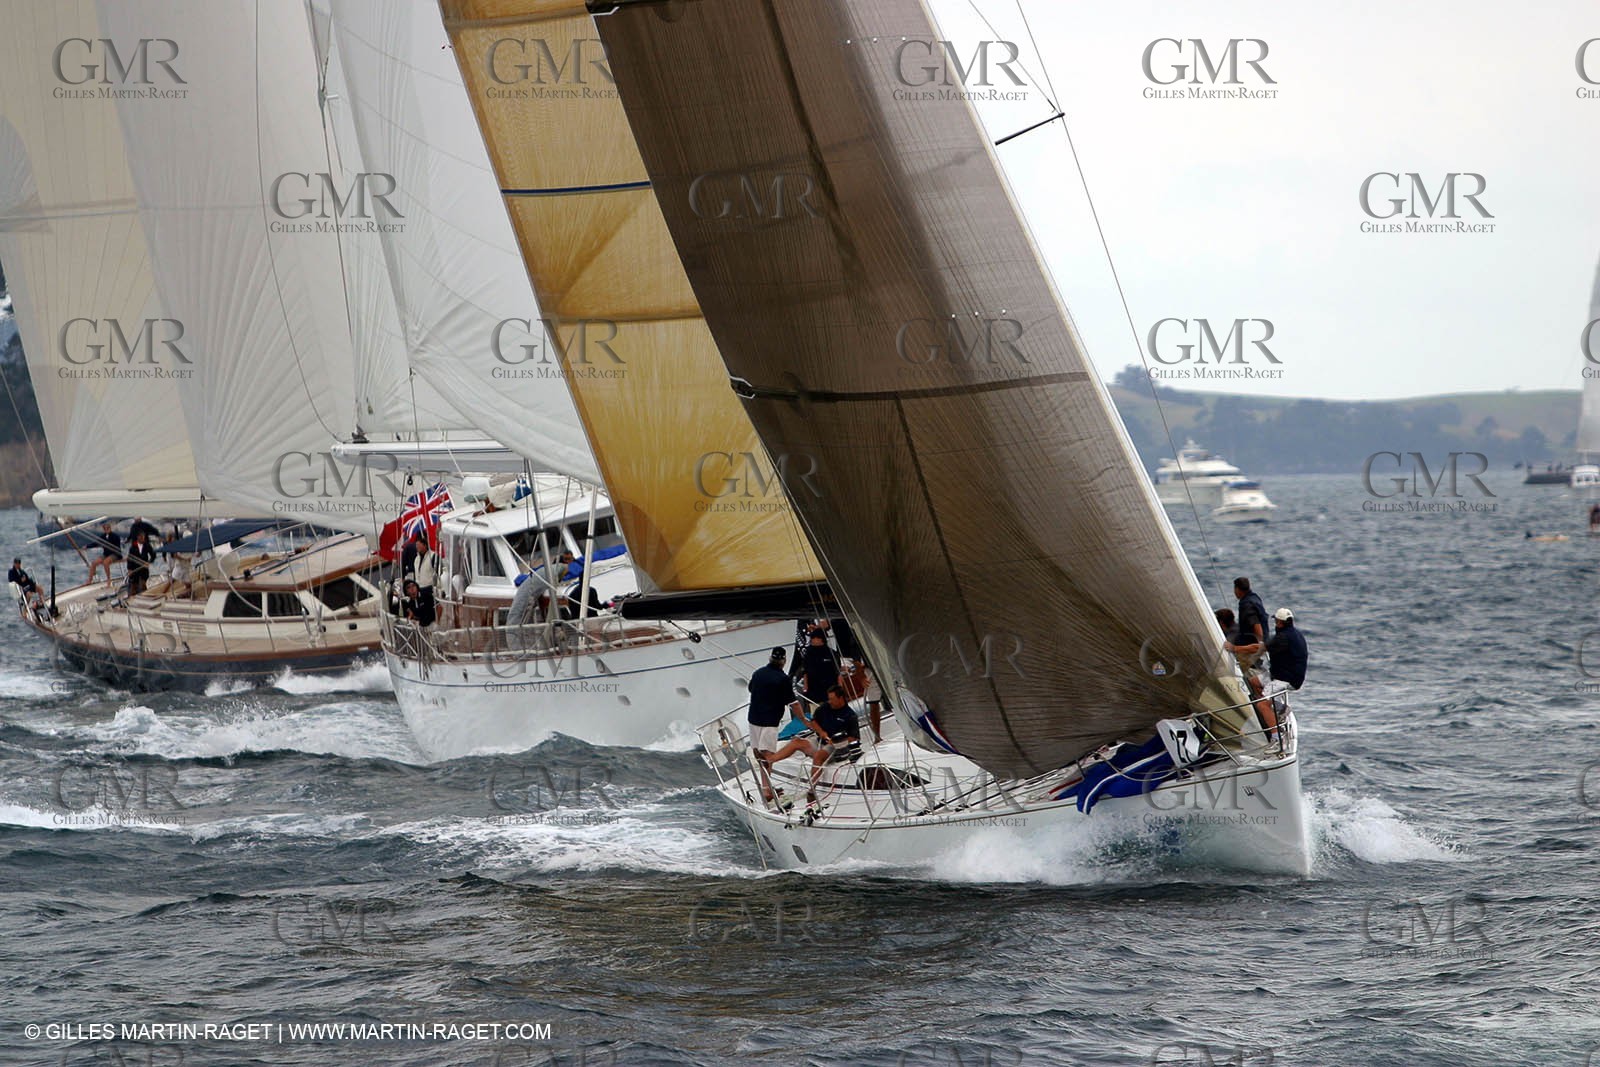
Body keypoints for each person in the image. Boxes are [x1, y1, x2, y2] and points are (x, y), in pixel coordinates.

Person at [747, 646, 804, 804]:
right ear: (784, 661)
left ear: (770, 658)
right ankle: (767, 791)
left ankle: (766, 788)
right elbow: (794, 704)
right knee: (768, 756)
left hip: (753, 719)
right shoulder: (783, 679)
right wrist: (805, 721)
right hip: (769, 722)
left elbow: (751, 689)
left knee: (760, 755)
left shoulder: (758, 673)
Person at [799, 685, 861, 804]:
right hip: (823, 739)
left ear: (840, 698)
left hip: (839, 746)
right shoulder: (825, 707)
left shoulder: (850, 715)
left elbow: (854, 737)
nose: (829, 701)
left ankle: (812, 790)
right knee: (797, 742)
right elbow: (814, 722)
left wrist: (837, 740)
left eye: (832, 699)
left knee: (818, 756)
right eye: (829, 698)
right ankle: (771, 759)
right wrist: (822, 732)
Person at [797, 628, 843, 712]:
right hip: (814, 692)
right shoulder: (808, 653)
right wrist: (805, 688)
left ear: (821, 639)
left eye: (814, 638)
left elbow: (838, 673)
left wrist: (840, 690)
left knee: (834, 713)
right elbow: (805, 672)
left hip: (830, 691)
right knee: (817, 714)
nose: (812, 640)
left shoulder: (832, 653)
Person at [87, 522, 122, 586]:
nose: (107, 529)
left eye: (108, 528)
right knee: (94, 563)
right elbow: (96, 543)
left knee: (105, 562)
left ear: (110, 528)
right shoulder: (103, 536)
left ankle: (109, 579)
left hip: (115, 554)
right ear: (104, 529)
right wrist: (87, 546)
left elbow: (117, 547)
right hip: (106, 554)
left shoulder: (115, 536)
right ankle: (90, 580)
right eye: (105, 528)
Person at [124, 530, 156, 597]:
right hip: (135, 569)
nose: (142, 538)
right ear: (138, 537)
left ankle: (145, 597)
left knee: (143, 585)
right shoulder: (132, 547)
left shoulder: (147, 545)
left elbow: (153, 555)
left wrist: (149, 562)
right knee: (134, 586)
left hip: (144, 568)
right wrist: (129, 569)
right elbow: (129, 559)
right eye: (141, 537)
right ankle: (133, 597)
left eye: (143, 537)